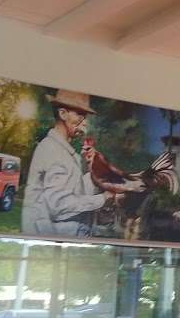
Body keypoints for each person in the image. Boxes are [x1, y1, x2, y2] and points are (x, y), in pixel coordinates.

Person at [22, 89, 142, 236]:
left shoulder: (64, 151)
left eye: (84, 117)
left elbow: (73, 191)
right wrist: (103, 199)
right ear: (63, 114)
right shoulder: (53, 150)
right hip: (49, 238)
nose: (84, 122)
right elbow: (60, 206)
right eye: (80, 115)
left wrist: (92, 167)